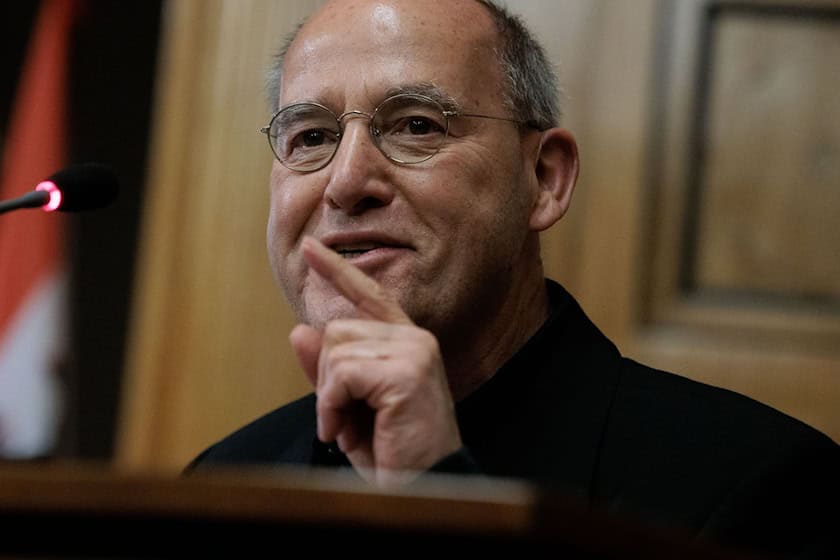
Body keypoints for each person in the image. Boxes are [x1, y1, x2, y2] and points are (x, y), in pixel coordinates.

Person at [185, 0, 840, 557]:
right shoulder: (221, 482)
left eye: (416, 126)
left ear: (545, 180)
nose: (347, 181)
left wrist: (435, 485)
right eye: (309, 136)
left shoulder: (755, 486)